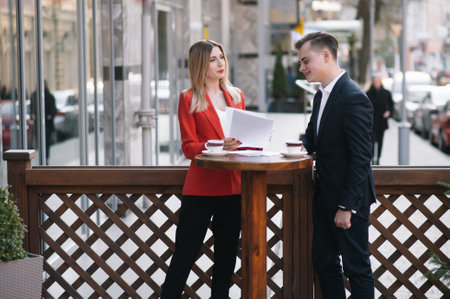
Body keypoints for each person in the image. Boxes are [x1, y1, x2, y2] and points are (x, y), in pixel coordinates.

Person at [161, 40, 244, 299]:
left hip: (233, 187)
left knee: (227, 257)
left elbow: (242, 140)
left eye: (222, 57)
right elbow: (188, 147)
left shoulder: (236, 95)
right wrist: (219, 144)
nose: (221, 63)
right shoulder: (188, 98)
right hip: (201, 188)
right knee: (185, 253)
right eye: (213, 59)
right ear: (200, 64)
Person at [295, 32, 376, 299]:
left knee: (357, 270)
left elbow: (362, 158)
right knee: (324, 263)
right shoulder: (321, 95)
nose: (301, 67)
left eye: (306, 61)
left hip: (347, 203)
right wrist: (294, 148)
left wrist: (346, 207)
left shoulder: (353, 97)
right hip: (324, 198)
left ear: (326, 56)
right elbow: (311, 138)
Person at [366, 75, 394, 165]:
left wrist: (388, 112)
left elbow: (391, 105)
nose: (376, 83)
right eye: (375, 81)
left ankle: (378, 158)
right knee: (372, 141)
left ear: (381, 82)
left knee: (380, 140)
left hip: (382, 121)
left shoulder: (386, 93)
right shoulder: (368, 93)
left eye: (378, 81)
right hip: (372, 122)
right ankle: (372, 158)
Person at [30, 80, 57, 161]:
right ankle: (41, 156)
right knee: (39, 140)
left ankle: (46, 156)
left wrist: (50, 116)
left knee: (46, 141)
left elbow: (53, 109)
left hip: (47, 123)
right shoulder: (34, 95)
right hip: (38, 122)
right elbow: (32, 107)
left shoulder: (49, 96)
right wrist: (32, 114)